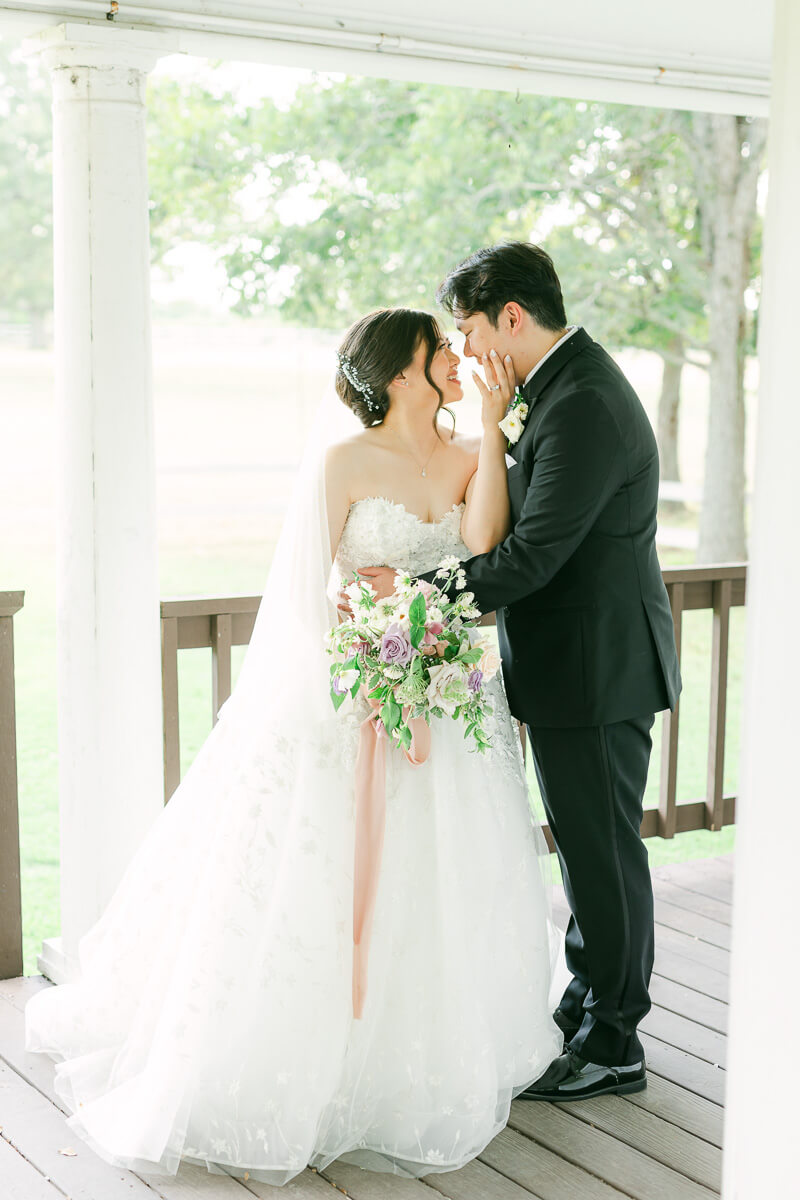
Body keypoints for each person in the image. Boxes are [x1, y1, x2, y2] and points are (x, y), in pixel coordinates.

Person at [24, 305, 562, 1186]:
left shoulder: (470, 455)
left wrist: (494, 447)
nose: (460, 365)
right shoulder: (342, 463)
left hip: (443, 692)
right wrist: (361, 648)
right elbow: (304, 593)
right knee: (314, 882)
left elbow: (478, 549)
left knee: (435, 883)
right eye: (442, 356)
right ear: (401, 376)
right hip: (349, 692)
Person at [362, 244, 682, 1101]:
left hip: (598, 670)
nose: (463, 351)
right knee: (587, 855)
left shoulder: (581, 402)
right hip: (578, 666)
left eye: (467, 330)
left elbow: (534, 556)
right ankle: (588, 1005)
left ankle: (615, 1041)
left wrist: (419, 597)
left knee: (604, 857)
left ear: (510, 316)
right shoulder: (559, 390)